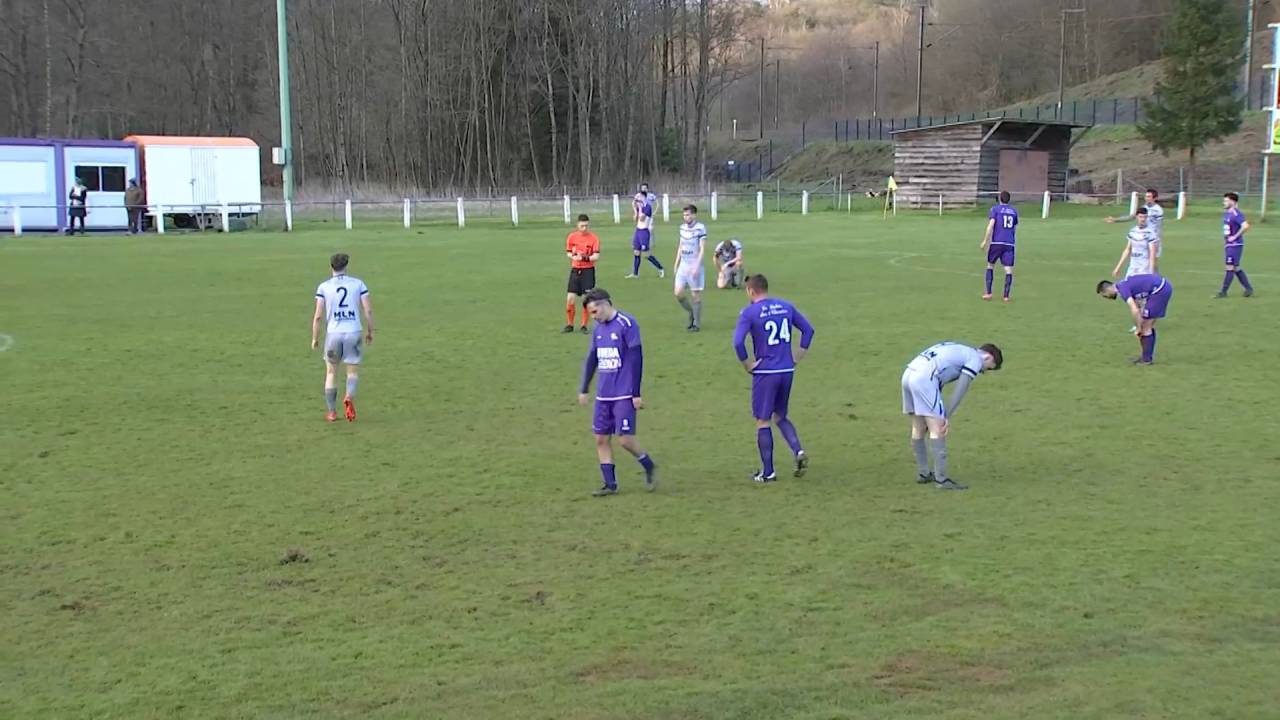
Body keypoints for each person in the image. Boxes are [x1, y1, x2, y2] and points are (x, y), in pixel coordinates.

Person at [732, 274, 815, 483]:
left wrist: (747, 364)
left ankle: (768, 472)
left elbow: (738, 343)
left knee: (763, 420)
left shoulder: (749, 312)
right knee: (780, 415)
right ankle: (798, 450)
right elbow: (808, 330)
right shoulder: (786, 306)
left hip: (766, 373)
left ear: (751, 291)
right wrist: (798, 355)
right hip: (787, 370)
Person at [577, 288, 658, 496]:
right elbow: (592, 358)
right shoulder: (598, 329)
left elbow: (636, 359)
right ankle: (610, 484)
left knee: (625, 440)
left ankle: (649, 465)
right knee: (601, 439)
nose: (593, 317)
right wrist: (584, 388)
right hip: (603, 394)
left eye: (594, 312)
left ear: (605, 304)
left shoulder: (627, 324)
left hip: (624, 393)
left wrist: (636, 392)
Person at [901, 341, 1003, 490]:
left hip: (908, 374)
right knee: (938, 429)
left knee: (919, 428)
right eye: (986, 368)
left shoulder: (959, 348)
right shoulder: (975, 358)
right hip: (924, 379)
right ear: (987, 357)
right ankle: (942, 480)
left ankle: (923, 473)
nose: (982, 371)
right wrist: (946, 415)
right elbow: (962, 387)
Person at [311, 253, 375, 422]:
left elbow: (318, 316)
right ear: (346, 266)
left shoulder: (323, 287)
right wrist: (370, 331)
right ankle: (349, 397)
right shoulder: (358, 284)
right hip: (353, 332)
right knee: (352, 373)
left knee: (331, 372)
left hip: (333, 334)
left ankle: (332, 412)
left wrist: (315, 338)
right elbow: (367, 310)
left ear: (331, 267)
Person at [1097, 274, 1172, 365]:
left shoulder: (1123, 289)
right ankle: (1145, 357)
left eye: (1105, 295)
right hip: (1162, 287)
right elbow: (1138, 307)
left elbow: (1134, 310)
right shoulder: (1123, 285)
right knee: (1146, 324)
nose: (1107, 298)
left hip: (1159, 290)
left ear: (1107, 289)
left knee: (1145, 327)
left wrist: (1138, 328)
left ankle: (1147, 359)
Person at [564, 214, 600, 333]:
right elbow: (568, 253)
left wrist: (585, 258)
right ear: (577, 225)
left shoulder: (594, 238)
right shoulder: (572, 237)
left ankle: (584, 325)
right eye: (582, 226)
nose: (584, 228)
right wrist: (574, 256)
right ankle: (569, 324)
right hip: (575, 271)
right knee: (570, 299)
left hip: (588, 271)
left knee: (587, 299)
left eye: (586, 226)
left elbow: (596, 256)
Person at [672, 205, 706, 331]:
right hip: (683, 265)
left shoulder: (700, 228)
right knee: (678, 293)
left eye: (688, 214)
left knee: (695, 294)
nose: (685, 217)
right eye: (684, 214)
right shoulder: (682, 228)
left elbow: (702, 248)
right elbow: (680, 246)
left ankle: (696, 323)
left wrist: (697, 266)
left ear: (694, 215)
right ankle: (691, 313)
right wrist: (676, 263)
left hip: (694, 264)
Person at [979, 190, 1017, 302]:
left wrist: (985, 241)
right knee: (1008, 269)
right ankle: (1006, 296)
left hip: (997, 242)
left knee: (990, 265)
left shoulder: (995, 209)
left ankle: (988, 293)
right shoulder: (1014, 211)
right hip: (1009, 243)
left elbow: (991, 225)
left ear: (1000, 198)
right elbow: (1014, 228)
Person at [1214, 192, 1254, 298]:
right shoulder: (1227, 213)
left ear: (1233, 201)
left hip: (1235, 245)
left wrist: (1235, 237)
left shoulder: (1236, 214)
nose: (1224, 203)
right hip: (1229, 245)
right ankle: (1248, 289)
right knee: (1235, 268)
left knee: (1230, 267)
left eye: (1226, 201)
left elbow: (1245, 226)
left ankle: (1223, 292)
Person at [1107, 188, 1164, 259]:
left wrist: (1156, 240)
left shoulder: (1158, 210)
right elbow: (1132, 216)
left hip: (1152, 238)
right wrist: (1116, 220)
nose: (1146, 198)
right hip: (1143, 236)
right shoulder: (1144, 207)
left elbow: (1158, 227)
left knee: (1152, 261)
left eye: (1149, 197)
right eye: (1146, 196)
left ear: (1155, 198)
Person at [625, 182, 665, 279]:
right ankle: (635, 273)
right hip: (638, 231)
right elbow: (636, 219)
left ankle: (660, 268)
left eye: (640, 199)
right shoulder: (640, 207)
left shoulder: (647, 208)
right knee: (636, 252)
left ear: (644, 198)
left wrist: (638, 211)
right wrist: (635, 211)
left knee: (646, 255)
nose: (638, 200)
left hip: (644, 232)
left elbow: (642, 218)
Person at [1111, 207, 1159, 280]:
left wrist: (1151, 272)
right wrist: (1118, 267)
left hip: (1144, 267)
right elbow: (1127, 250)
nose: (1143, 219)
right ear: (1137, 217)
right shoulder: (1133, 231)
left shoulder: (1150, 232)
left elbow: (1152, 253)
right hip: (1133, 266)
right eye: (1140, 217)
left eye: (1145, 217)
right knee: (1127, 287)